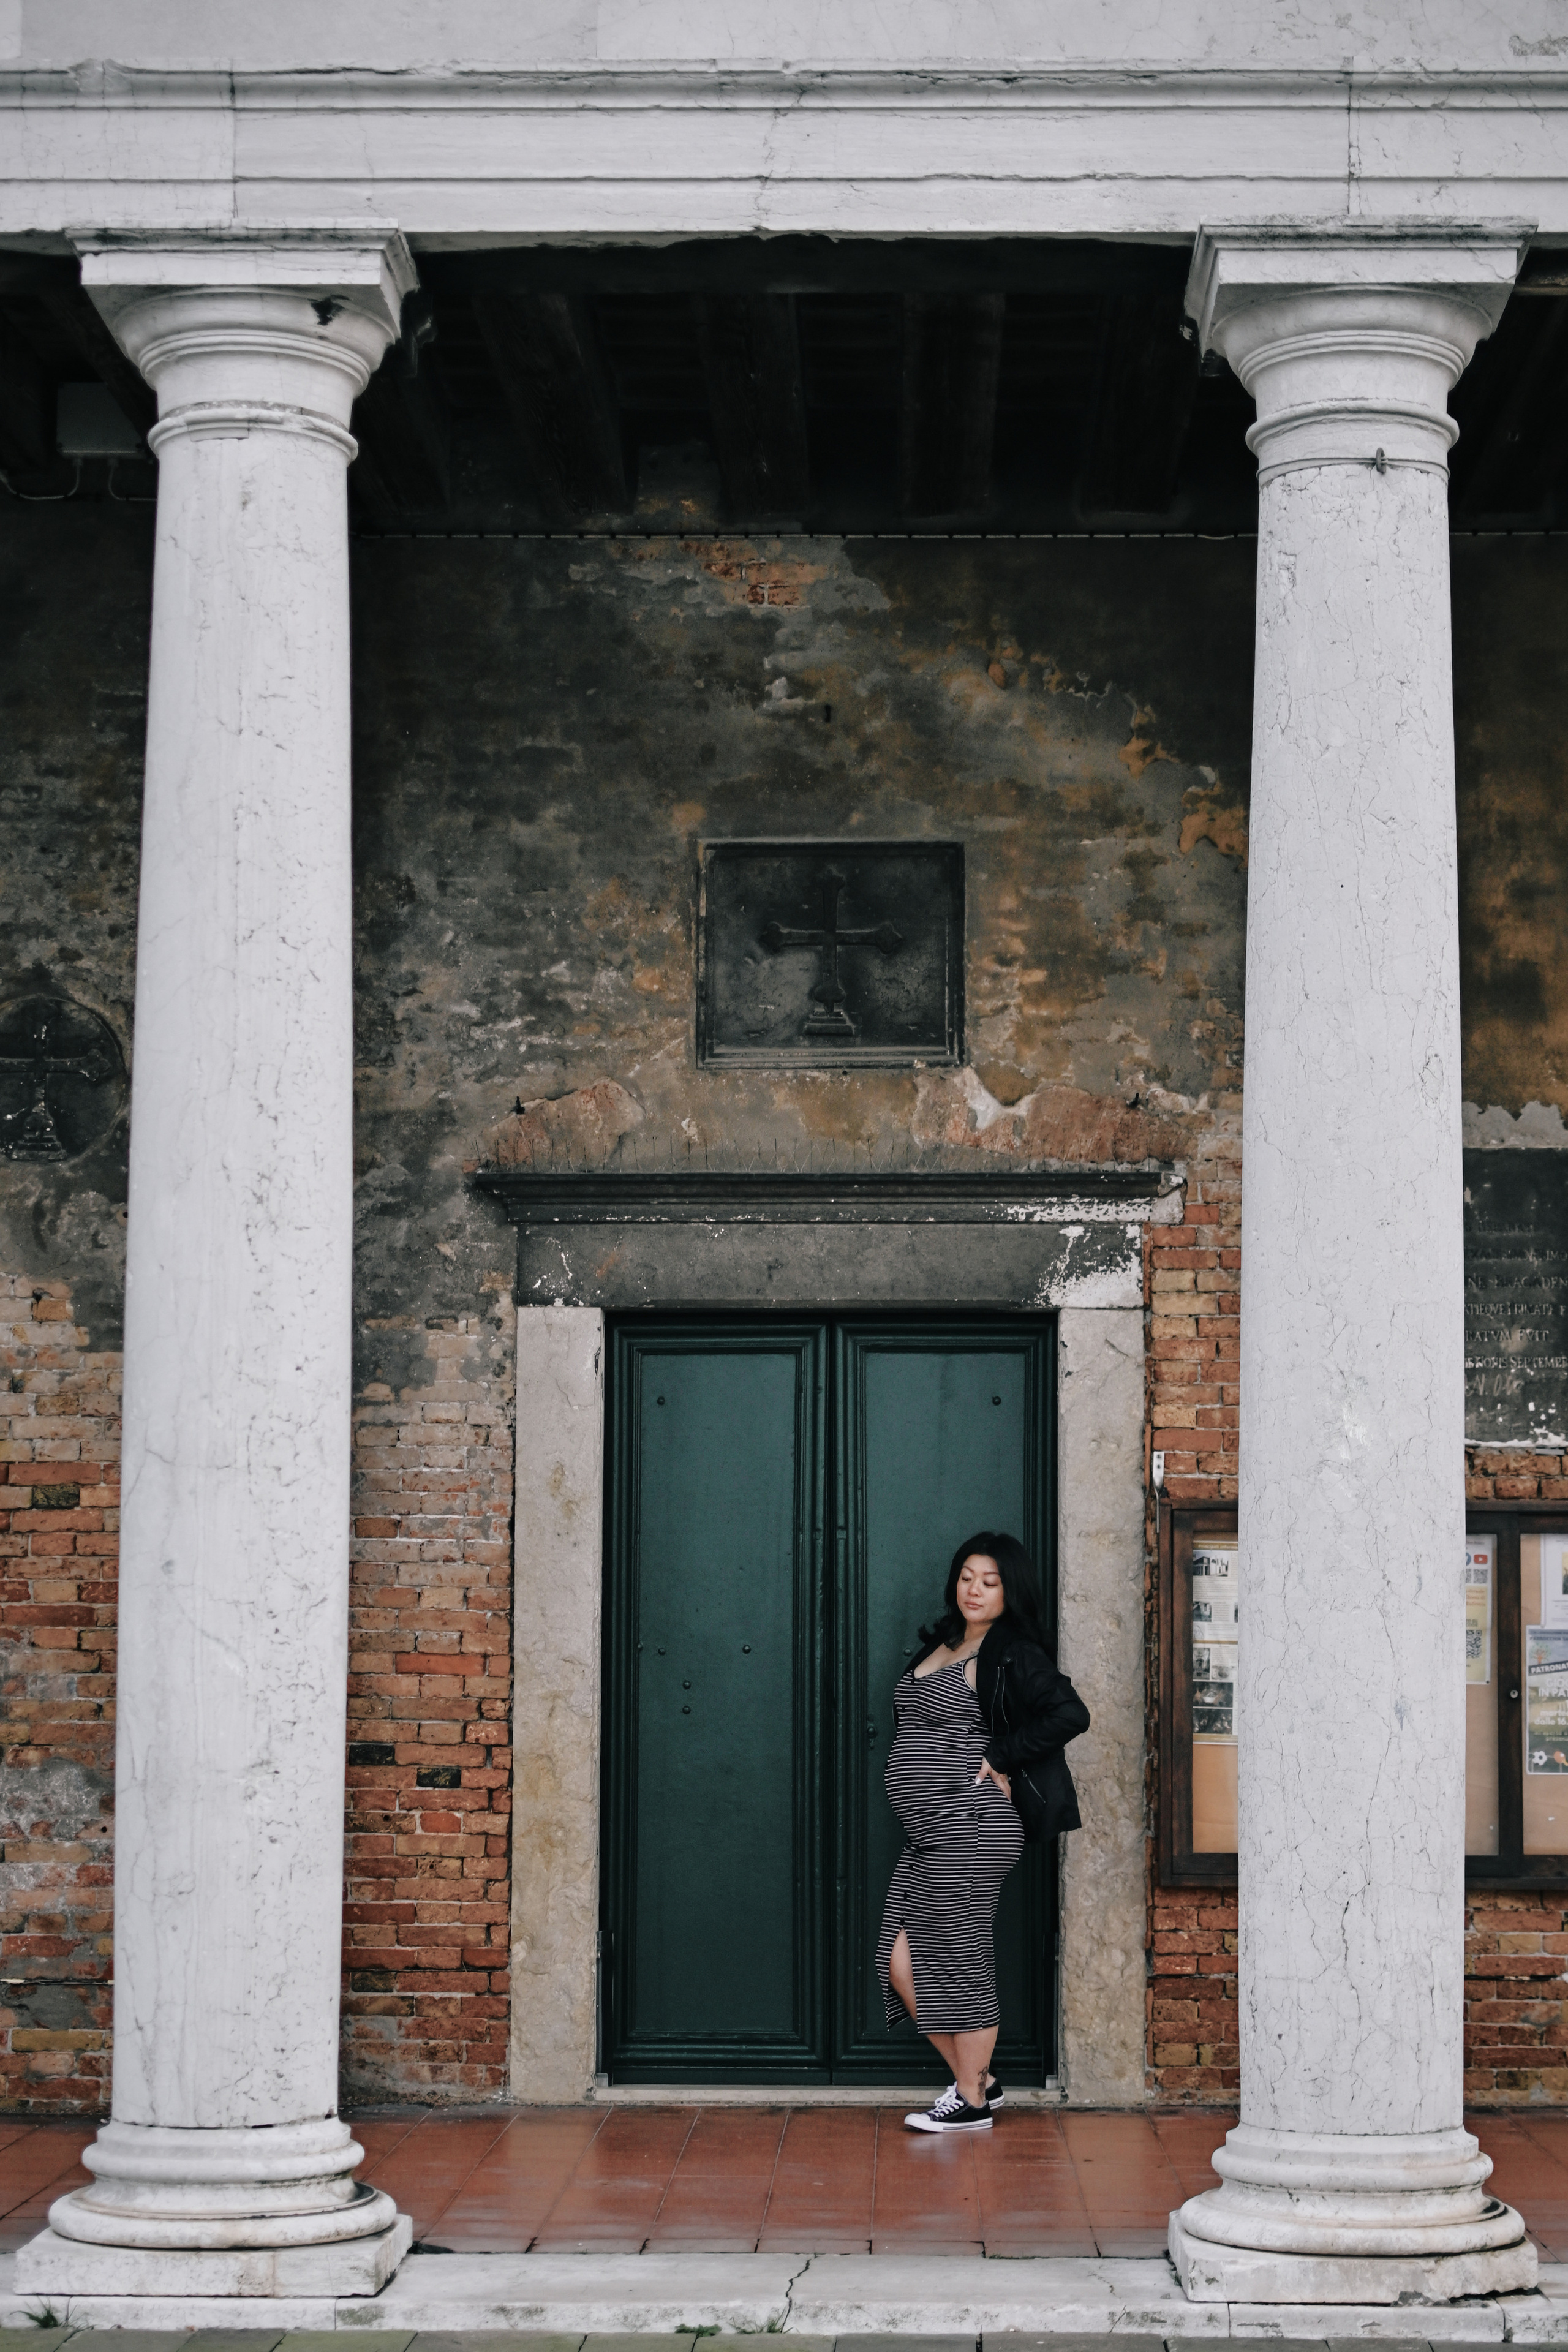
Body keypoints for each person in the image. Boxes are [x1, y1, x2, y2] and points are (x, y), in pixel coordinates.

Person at [877, 1531, 1090, 2134]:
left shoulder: (1011, 1651)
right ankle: (980, 2081)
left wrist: (1000, 1755)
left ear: (1009, 1590)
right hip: (929, 1831)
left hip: (971, 1826)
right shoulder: (946, 1641)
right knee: (898, 1959)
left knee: (958, 1960)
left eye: (989, 1581)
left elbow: (1069, 1713)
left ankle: (969, 2100)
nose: (974, 1589)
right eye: (967, 1576)